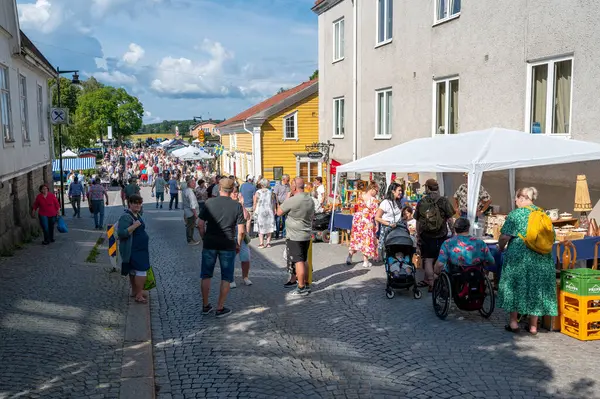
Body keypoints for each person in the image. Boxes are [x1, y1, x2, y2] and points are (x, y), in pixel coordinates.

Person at [498, 187, 558, 335]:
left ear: (523, 197)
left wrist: (500, 247)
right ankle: (533, 326)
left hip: (519, 258)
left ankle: (513, 323)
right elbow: (552, 237)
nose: (515, 201)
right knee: (535, 288)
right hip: (541, 258)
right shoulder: (543, 214)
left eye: (516, 198)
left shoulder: (515, 214)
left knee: (514, 286)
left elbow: (505, 237)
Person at [198, 178, 245, 318]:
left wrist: (204, 238)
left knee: (206, 275)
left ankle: (206, 305)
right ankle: (220, 308)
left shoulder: (209, 203)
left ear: (219, 188)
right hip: (228, 244)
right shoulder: (237, 206)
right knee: (226, 276)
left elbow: (200, 224)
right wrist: (238, 244)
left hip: (210, 243)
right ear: (233, 190)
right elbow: (241, 231)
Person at [415, 179, 455, 291]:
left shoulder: (422, 202)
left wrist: (418, 234)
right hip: (441, 235)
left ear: (427, 188)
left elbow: (418, 221)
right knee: (440, 259)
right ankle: (439, 280)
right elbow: (450, 219)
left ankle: (431, 283)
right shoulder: (443, 201)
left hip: (426, 235)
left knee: (428, 260)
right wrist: (454, 232)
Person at [277, 177, 315, 296]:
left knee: (298, 261)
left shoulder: (293, 200)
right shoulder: (310, 199)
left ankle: (301, 286)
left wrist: (287, 197)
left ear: (294, 187)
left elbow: (278, 212)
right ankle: (307, 283)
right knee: (304, 260)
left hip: (295, 235)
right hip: (306, 233)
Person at [117, 194, 150, 304]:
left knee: (133, 270)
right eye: (135, 202)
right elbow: (121, 233)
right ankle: (139, 295)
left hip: (140, 248)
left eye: (139, 203)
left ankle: (135, 291)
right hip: (134, 249)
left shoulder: (137, 214)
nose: (137, 205)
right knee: (141, 271)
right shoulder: (126, 216)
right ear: (129, 203)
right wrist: (134, 226)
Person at [347, 182, 379, 267]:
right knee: (366, 240)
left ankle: (349, 257)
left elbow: (356, 207)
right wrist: (377, 224)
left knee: (355, 238)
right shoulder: (374, 200)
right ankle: (365, 261)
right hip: (367, 220)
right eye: (376, 191)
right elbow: (375, 214)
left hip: (357, 219)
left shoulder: (361, 195)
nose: (376, 193)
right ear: (372, 189)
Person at [375, 182, 404, 264]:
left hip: (397, 228)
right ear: (393, 191)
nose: (401, 192)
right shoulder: (385, 203)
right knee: (386, 246)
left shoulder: (398, 202)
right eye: (399, 190)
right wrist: (389, 223)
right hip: (388, 228)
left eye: (401, 191)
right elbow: (377, 217)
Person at [231, 186, 253, 287]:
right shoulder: (228, 204)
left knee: (246, 258)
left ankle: (245, 277)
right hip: (231, 235)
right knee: (230, 258)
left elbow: (247, 217)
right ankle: (230, 279)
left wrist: (242, 204)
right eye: (234, 192)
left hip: (242, 235)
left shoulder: (239, 204)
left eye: (237, 192)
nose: (236, 194)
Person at [253, 178, 276, 248]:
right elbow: (273, 202)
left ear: (261, 184)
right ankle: (268, 243)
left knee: (260, 227)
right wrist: (274, 209)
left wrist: (254, 211)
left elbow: (255, 203)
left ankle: (261, 243)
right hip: (269, 210)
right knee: (269, 226)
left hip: (260, 211)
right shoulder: (271, 192)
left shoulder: (257, 192)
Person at [182, 177, 200, 246]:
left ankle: (191, 239)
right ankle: (190, 240)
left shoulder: (186, 190)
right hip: (191, 212)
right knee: (190, 226)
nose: (195, 184)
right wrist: (195, 213)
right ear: (190, 184)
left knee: (191, 226)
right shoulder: (190, 192)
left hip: (188, 211)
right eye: (193, 183)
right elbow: (192, 204)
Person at [273, 174, 291, 239]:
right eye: (287, 180)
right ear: (283, 179)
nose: (288, 181)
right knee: (277, 219)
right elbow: (275, 195)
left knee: (285, 219)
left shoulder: (288, 185)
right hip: (279, 203)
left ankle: (284, 234)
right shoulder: (278, 185)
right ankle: (277, 234)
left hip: (285, 203)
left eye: (289, 180)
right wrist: (277, 204)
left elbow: (289, 193)